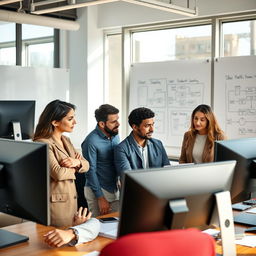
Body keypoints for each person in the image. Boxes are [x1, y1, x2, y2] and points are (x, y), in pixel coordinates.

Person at [33, 100, 90, 227]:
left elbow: (86, 164)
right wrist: (77, 166)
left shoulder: (66, 140)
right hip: (56, 206)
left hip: (72, 201)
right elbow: (58, 173)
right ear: (55, 122)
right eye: (70, 119)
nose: (75, 122)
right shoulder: (43, 143)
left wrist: (76, 162)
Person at [81, 104, 120, 217]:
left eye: (117, 120)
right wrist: (100, 198)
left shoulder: (115, 134)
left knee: (115, 225)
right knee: (98, 227)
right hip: (98, 190)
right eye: (113, 121)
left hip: (114, 188)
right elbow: (90, 171)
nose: (118, 124)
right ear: (102, 124)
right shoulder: (91, 141)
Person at [114, 107, 170, 176]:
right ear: (135, 127)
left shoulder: (158, 144)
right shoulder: (121, 149)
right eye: (147, 126)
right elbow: (128, 178)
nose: (152, 129)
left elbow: (167, 171)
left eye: (152, 124)